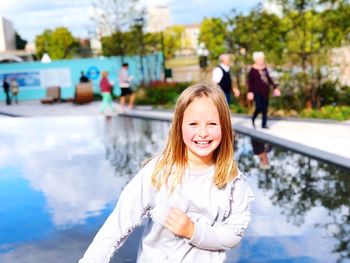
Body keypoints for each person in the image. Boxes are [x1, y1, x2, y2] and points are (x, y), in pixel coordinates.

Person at [79, 84, 254, 263]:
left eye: (212, 124)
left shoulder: (232, 180)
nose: (202, 132)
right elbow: (118, 224)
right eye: (193, 124)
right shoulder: (160, 172)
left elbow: (233, 234)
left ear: (224, 126)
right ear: (179, 126)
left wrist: (193, 231)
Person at [247, 51, 281, 129]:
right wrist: (250, 92)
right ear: (256, 59)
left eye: (262, 59)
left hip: (265, 91)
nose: (262, 60)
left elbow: (269, 79)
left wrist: (275, 87)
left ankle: (264, 124)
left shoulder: (264, 68)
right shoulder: (253, 69)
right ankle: (253, 118)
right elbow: (250, 82)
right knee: (258, 107)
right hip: (256, 91)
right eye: (260, 59)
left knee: (265, 108)